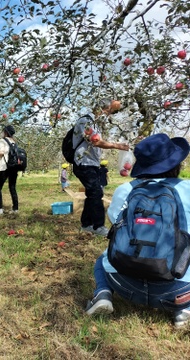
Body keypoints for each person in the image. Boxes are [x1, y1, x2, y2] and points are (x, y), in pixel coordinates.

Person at [85, 134, 190, 328]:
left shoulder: (125, 190)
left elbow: (115, 224)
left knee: (102, 258)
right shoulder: (187, 188)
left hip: (125, 285)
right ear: (176, 164)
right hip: (177, 291)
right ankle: (184, 309)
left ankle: (103, 293)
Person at [72, 98, 129, 236]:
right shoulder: (85, 121)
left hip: (91, 163)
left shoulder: (95, 124)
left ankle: (86, 225)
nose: (108, 115)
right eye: (109, 111)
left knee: (93, 193)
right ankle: (98, 226)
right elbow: (95, 141)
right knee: (96, 193)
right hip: (83, 163)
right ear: (101, 109)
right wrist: (117, 146)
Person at [0, 125, 19, 215]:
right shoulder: (14, 142)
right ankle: (15, 209)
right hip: (14, 167)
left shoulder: (2, 141)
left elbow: (1, 152)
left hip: (5, 167)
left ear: (6, 132)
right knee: (12, 187)